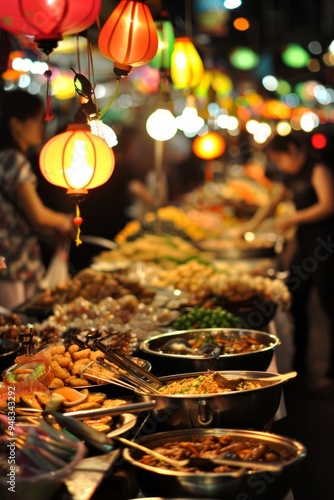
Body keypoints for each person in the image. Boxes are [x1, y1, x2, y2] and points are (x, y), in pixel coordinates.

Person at [234, 133, 334, 392]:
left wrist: (293, 219)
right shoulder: (290, 176)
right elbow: (272, 202)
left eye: (279, 158)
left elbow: (328, 205)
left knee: (329, 307)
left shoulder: (317, 168)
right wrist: (251, 225)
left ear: (292, 149)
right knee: (297, 301)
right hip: (304, 247)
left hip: (324, 246)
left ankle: (330, 375)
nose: (279, 165)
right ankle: (299, 369)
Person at [0, 89, 74, 310]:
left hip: (10, 258)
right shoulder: (13, 160)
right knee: (16, 327)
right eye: (36, 120)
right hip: (14, 261)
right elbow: (38, 216)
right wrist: (67, 221)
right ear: (16, 124)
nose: (41, 127)